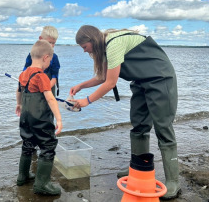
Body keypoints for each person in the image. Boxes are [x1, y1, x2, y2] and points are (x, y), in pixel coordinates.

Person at [69, 25, 180, 200]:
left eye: (84, 47)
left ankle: (173, 181)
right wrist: (81, 86)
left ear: (92, 40)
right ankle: (137, 169)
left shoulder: (113, 44)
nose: (84, 51)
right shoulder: (105, 47)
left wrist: (87, 100)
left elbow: (110, 83)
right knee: (139, 125)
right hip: (141, 82)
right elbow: (103, 76)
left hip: (160, 79)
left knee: (163, 127)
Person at [15, 40, 63, 195]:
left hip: (25, 117)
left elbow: (19, 91)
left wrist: (18, 105)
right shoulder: (41, 76)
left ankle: (22, 177)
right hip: (40, 118)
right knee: (48, 146)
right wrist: (59, 119)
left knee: (27, 143)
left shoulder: (23, 74)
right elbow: (50, 98)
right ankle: (42, 184)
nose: (49, 63)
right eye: (49, 60)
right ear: (46, 57)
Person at [23, 26, 60, 97]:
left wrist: (45, 89)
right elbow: (25, 73)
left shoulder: (54, 58)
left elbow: (54, 78)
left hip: (48, 91)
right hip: (32, 93)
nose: (51, 46)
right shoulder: (31, 56)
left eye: (53, 43)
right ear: (40, 39)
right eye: (49, 43)